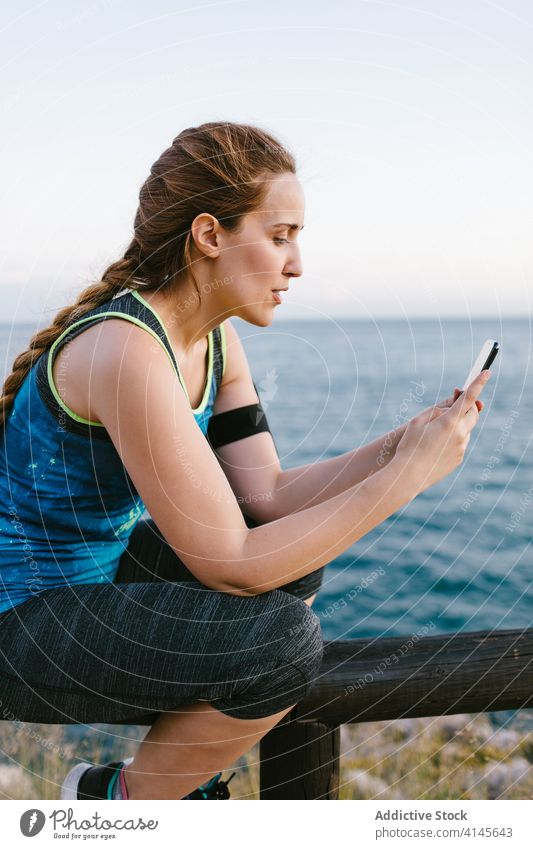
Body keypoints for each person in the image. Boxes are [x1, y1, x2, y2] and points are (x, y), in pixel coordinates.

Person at [0, 122, 489, 801]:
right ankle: (117, 804)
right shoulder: (123, 351)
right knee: (282, 643)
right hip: (20, 621)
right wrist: (409, 476)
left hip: (97, 583)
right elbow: (228, 560)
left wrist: (398, 445)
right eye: (280, 234)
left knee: (296, 566)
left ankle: (172, 774)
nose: (296, 264)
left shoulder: (215, 342)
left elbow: (267, 493)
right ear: (209, 235)